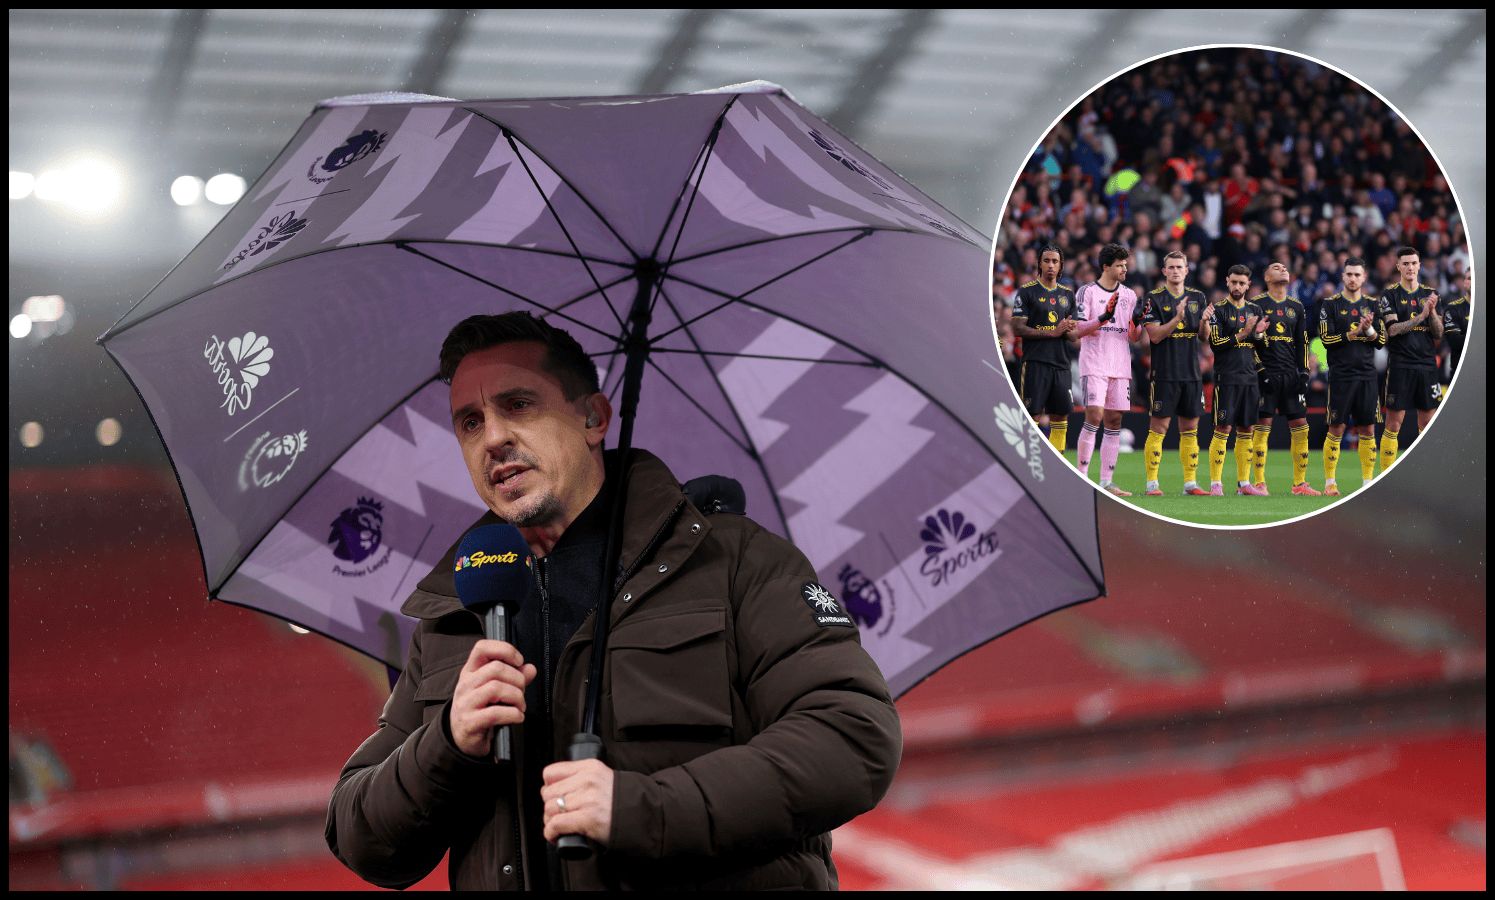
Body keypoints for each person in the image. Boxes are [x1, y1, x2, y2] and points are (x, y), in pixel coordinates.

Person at [325, 313, 902, 891]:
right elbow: (361, 837)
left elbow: (853, 736)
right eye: (470, 422)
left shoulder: (731, 559)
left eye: (518, 405)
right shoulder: (454, 611)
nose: (493, 438)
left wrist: (641, 809)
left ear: (594, 418)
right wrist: (447, 742)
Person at [1072, 243, 1143, 497]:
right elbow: (1078, 329)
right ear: (1106, 267)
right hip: (1094, 363)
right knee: (1094, 415)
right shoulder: (1087, 292)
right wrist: (1104, 316)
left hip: (1120, 365)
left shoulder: (1130, 295)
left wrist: (1139, 321)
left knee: (1114, 421)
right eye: (1120, 265)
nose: (1125, 269)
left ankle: (1106, 482)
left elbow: (1133, 336)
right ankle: (1081, 477)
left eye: (1125, 264)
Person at [1139, 251, 1211, 496]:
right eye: (1171, 267)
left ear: (1187, 270)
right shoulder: (1154, 298)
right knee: (1159, 427)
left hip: (1191, 373)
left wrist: (1204, 322)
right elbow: (1155, 336)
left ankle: (1190, 483)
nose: (1175, 271)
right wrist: (1177, 317)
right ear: (1164, 271)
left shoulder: (1198, 297)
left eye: (1179, 267)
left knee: (1190, 428)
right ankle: (1152, 484)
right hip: (1165, 373)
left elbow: (1204, 338)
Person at [1249, 262, 1320, 496]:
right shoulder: (1257, 304)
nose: (1283, 268)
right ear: (1267, 277)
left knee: (1301, 426)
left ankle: (1300, 483)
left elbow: (1302, 342)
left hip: (1290, 375)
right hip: (1266, 374)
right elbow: (1250, 342)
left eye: (1284, 267)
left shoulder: (1296, 306)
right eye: (1276, 267)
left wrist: (1304, 371)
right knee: (1263, 427)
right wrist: (1260, 371)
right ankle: (1259, 482)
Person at [1319, 258, 1387, 496]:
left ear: (1364, 277)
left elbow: (1381, 341)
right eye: (1349, 274)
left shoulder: (1373, 304)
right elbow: (1326, 339)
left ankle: (1367, 483)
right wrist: (1354, 332)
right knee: (1336, 428)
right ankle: (1330, 482)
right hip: (1341, 375)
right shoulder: (1330, 305)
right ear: (1342, 276)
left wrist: (1368, 329)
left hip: (1367, 375)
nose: (1353, 278)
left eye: (1357, 275)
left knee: (1367, 429)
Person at [1376, 247, 1444, 471]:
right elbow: (1392, 330)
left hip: (1427, 365)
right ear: (1398, 267)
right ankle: (1386, 474)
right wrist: (1421, 316)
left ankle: (1426, 474)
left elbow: (1438, 333)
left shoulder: (1431, 294)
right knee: (1394, 424)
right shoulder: (1390, 295)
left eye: (1414, 263)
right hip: (1401, 365)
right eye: (1405, 263)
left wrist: (1431, 312)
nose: (1410, 267)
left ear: (1419, 265)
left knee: (1427, 424)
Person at [1205, 265, 1269, 496]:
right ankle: (1216, 483)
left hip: (1250, 378)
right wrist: (1244, 332)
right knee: (1223, 427)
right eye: (1234, 282)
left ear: (1248, 285)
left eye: (1242, 283)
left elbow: (1263, 346)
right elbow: (1215, 344)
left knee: (1247, 428)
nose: (1237, 286)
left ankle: (1244, 484)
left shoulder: (1255, 309)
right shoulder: (1219, 310)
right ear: (1227, 281)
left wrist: (1258, 333)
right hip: (1227, 377)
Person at [1011, 244, 1078, 452]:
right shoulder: (1027, 291)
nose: (1051, 265)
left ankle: (1058, 462)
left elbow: (1073, 335)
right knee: (1032, 415)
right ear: (1039, 264)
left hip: (1061, 364)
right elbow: (1017, 328)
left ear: (1061, 266)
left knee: (1060, 416)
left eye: (1055, 261)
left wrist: (1071, 329)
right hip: (1035, 363)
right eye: (1046, 261)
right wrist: (1053, 332)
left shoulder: (1068, 295)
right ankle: (1028, 462)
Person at [1442, 270, 1470, 387]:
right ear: (1464, 283)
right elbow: (1454, 341)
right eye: (1469, 278)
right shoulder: (1453, 308)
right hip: (1462, 372)